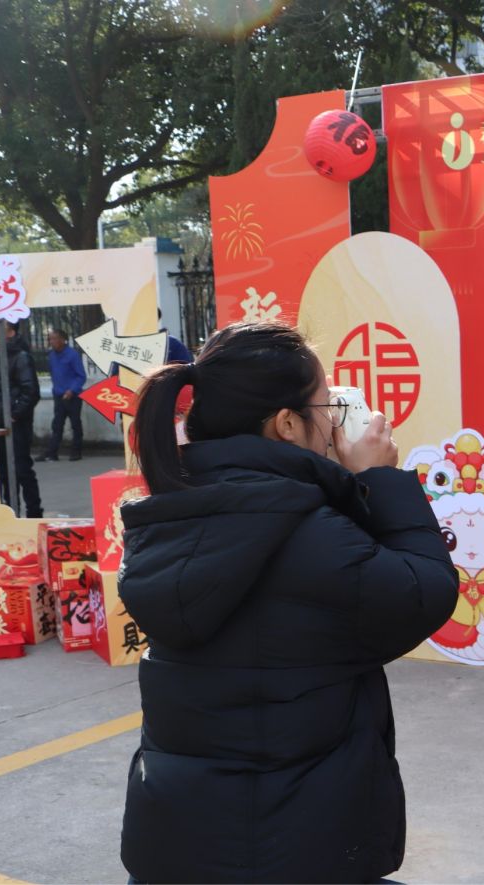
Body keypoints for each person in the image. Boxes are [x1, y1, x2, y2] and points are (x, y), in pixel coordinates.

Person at [117, 322, 458, 883]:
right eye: (326, 406)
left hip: (173, 848)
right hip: (293, 851)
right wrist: (380, 478)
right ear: (287, 424)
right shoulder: (306, 532)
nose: (335, 421)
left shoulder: (170, 515)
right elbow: (423, 590)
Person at [0, 320, 43, 518]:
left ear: (10, 331)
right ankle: (11, 513)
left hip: (16, 425)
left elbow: (31, 392)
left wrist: (14, 414)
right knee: (2, 471)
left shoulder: (21, 357)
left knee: (21, 469)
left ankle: (34, 513)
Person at [42, 328, 87, 462]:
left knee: (75, 424)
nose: (52, 342)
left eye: (54, 339)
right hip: (59, 395)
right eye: (50, 339)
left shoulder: (72, 355)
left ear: (63, 340)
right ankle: (52, 452)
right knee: (57, 425)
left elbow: (81, 376)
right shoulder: (52, 355)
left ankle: (76, 451)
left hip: (73, 396)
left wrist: (71, 390)